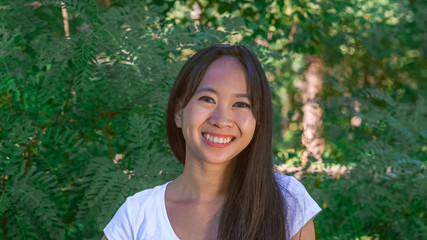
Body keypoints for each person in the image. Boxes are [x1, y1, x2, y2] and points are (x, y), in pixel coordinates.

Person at [102, 44, 321, 240]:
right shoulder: (136, 216)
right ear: (179, 112)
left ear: (258, 119)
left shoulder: (286, 202)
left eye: (241, 104)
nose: (221, 120)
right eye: (207, 99)